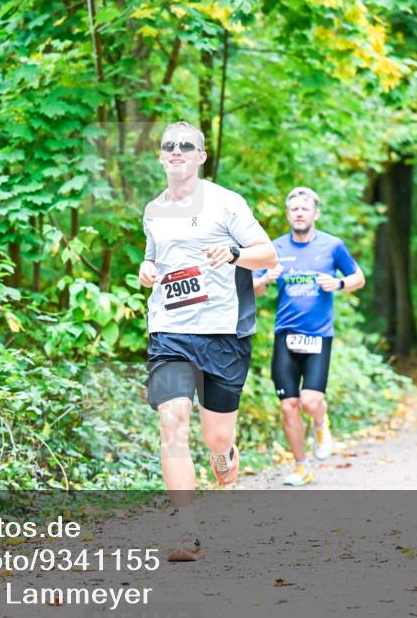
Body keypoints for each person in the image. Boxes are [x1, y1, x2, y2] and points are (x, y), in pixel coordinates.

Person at [139, 121, 278, 561]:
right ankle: (186, 533)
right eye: (168, 146)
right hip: (170, 332)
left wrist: (235, 254)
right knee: (172, 421)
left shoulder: (225, 203)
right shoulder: (153, 210)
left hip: (223, 332)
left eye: (187, 146)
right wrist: (146, 268)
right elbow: (152, 256)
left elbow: (268, 254)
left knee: (216, 439)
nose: (176, 151)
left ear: (201, 156)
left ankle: (225, 458)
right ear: (160, 156)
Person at [253, 187, 365, 487]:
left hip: (318, 336)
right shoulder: (273, 248)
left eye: (305, 208)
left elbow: (359, 277)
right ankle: (301, 466)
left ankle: (320, 423)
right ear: (288, 214)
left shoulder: (332, 246)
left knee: (310, 401)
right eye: (294, 209)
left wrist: (339, 283)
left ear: (315, 213)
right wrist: (264, 279)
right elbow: (253, 289)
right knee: (289, 405)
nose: (299, 213)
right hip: (285, 336)